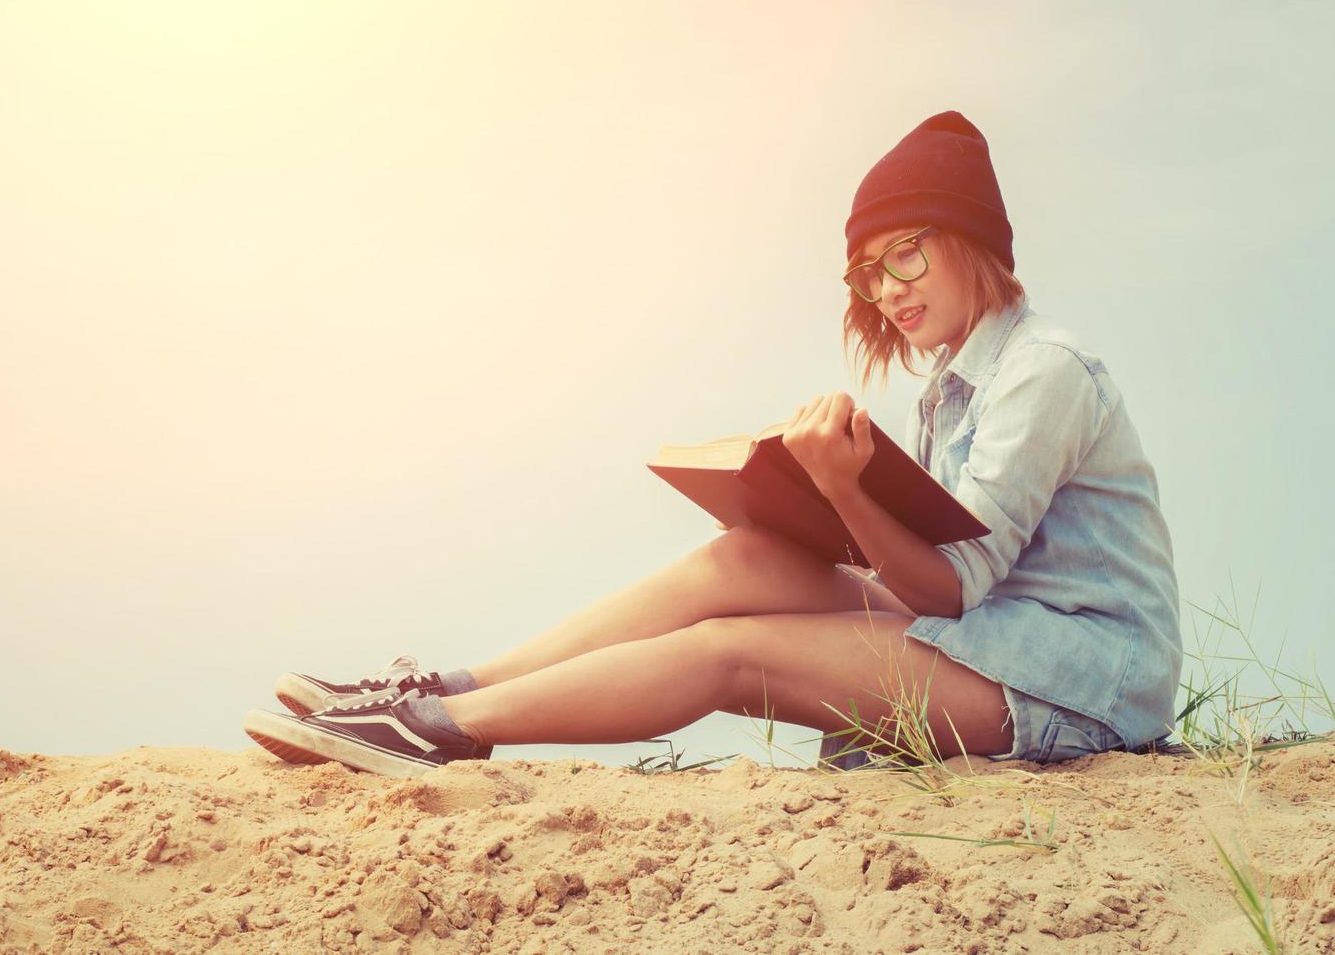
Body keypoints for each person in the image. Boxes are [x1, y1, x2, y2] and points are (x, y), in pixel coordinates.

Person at [242, 110, 1182, 778]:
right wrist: (814, 509)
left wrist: (847, 492)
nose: (890, 288)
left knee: (729, 653)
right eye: (870, 272)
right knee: (745, 556)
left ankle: (441, 729)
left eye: (910, 252)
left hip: (1076, 683)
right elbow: (931, 578)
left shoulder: (1045, 370)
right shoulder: (951, 383)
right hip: (991, 640)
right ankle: (440, 686)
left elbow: (950, 583)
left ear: (973, 244)